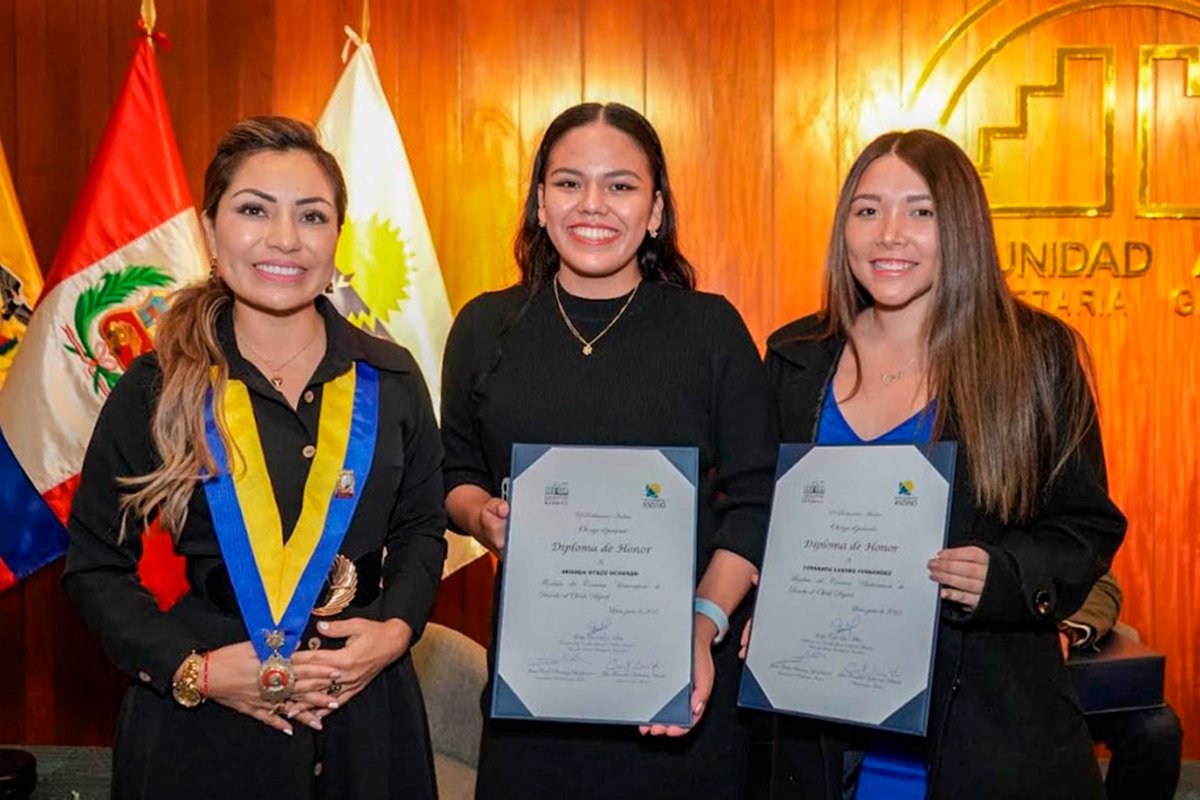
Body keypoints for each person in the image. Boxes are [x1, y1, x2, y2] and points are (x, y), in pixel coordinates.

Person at [63, 116, 447, 799]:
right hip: (204, 720)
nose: (284, 239)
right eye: (253, 210)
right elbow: (95, 567)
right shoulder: (155, 385)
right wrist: (196, 672)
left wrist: (396, 629)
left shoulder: (390, 377)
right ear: (211, 231)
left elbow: (421, 528)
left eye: (312, 216)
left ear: (336, 239)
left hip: (365, 714)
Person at [764, 129, 1126, 799]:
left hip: (982, 731)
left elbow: (1084, 525)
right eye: (867, 209)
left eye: (920, 211)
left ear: (961, 226)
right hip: (821, 736)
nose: (889, 234)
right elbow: (761, 513)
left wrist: (1006, 573)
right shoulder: (794, 358)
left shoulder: (1033, 357)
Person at [440, 102, 777, 799]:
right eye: (569, 183)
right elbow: (454, 471)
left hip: (683, 687)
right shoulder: (484, 327)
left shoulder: (709, 330)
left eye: (621, 185)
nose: (593, 204)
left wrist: (701, 625)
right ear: (539, 203)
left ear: (655, 210)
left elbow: (758, 497)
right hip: (536, 691)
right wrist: (481, 516)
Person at [1061, 573, 1184, 800]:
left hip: (1063, 672)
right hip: (985, 681)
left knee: (1157, 729)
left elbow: (1101, 584)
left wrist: (1068, 629)